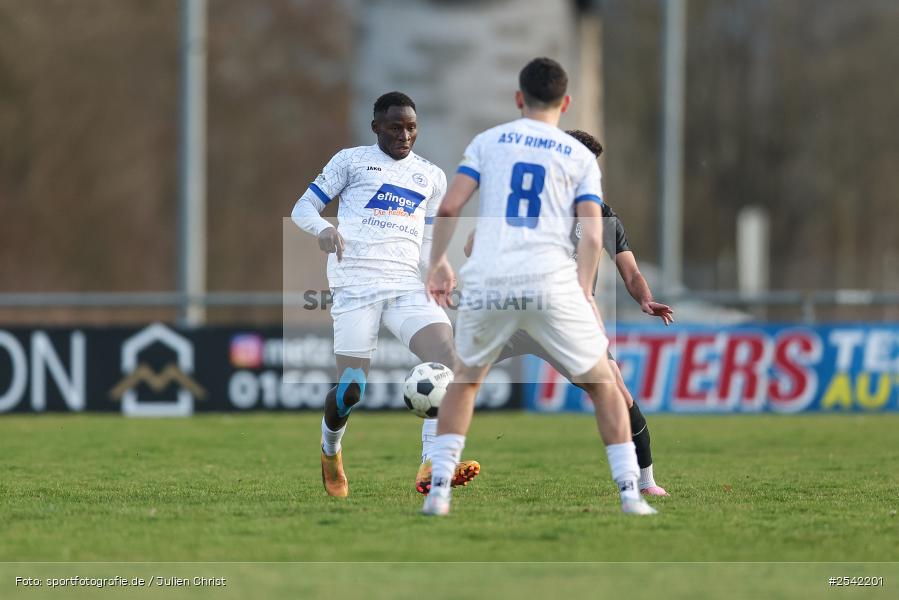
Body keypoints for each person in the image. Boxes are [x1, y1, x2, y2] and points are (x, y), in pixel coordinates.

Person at [423, 57, 657, 516]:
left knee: (465, 382)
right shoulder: (577, 158)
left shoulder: (487, 143)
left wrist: (438, 265)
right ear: (566, 102)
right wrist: (584, 292)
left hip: (488, 281)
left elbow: (449, 208)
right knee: (607, 385)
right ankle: (631, 493)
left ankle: (438, 493)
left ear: (518, 98)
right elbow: (593, 235)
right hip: (551, 285)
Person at [291, 91, 479, 498]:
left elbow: (429, 237)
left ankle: (431, 464)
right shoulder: (350, 161)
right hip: (355, 286)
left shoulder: (430, 175)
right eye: (395, 127)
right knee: (350, 391)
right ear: (376, 126)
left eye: (411, 127)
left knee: (447, 361)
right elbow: (304, 207)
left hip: (406, 285)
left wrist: (440, 266)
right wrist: (323, 229)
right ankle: (330, 450)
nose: (405, 135)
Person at [464, 129, 672, 496]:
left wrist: (644, 298)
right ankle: (435, 464)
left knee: (617, 393)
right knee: (451, 373)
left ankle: (646, 481)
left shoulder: (603, 217)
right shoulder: (527, 205)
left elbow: (631, 271)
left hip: (567, 321)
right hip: (516, 313)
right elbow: (471, 247)